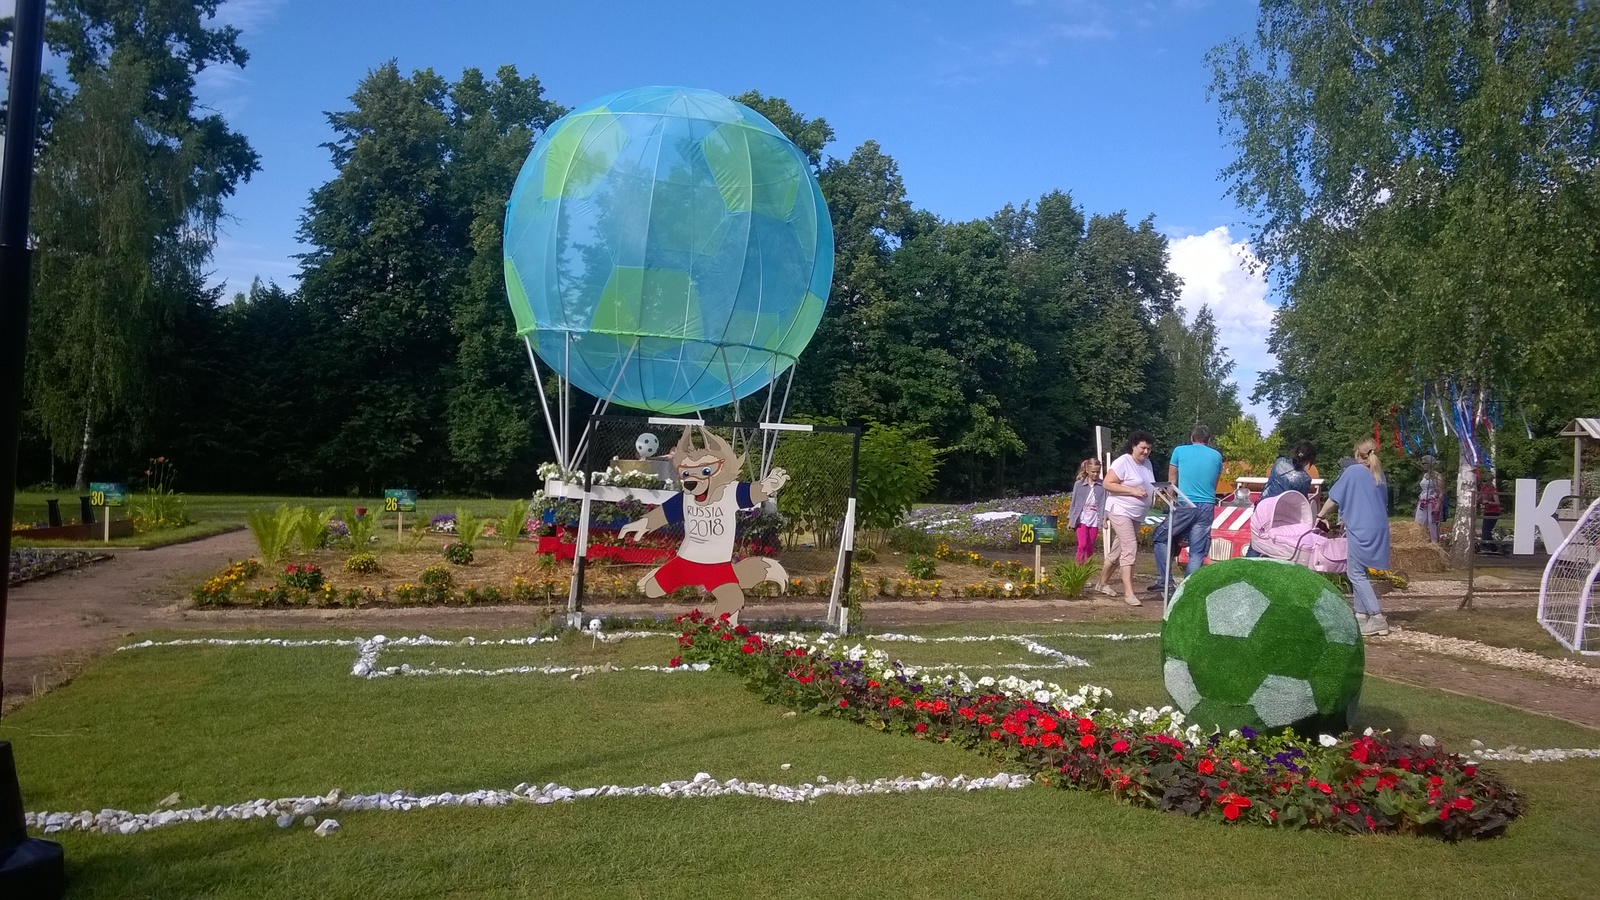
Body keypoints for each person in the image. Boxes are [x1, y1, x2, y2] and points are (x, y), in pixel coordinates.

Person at [1319, 437, 1392, 636]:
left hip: (1361, 528)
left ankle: (1377, 617)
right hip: (1378, 527)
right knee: (1360, 570)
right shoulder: (1378, 473)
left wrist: (1319, 516)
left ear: (1357, 454)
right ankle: (1360, 616)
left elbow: (1334, 498)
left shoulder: (1353, 471)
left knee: (1355, 574)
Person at [1151, 424, 1223, 594]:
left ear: (1192, 438)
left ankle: (1165, 581)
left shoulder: (1179, 451)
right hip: (1207, 506)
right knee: (1197, 552)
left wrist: (1171, 500)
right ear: (1208, 440)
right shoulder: (1217, 456)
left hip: (1186, 504)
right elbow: (1215, 483)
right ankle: (1187, 591)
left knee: (1160, 537)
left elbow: (1172, 481)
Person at [1094, 430, 1156, 607]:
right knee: (1130, 546)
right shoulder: (1123, 462)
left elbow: (1149, 485)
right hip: (1120, 510)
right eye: (1143, 448)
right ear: (1133, 446)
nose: (1146, 452)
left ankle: (1102, 583)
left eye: (1149, 449)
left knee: (1118, 550)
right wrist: (1132, 491)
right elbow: (1107, 483)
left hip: (1137, 513)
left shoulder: (1148, 464)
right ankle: (1129, 593)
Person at [1065, 457, 1106, 564]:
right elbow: (1074, 503)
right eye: (1093, 472)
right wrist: (1071, 519)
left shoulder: (1103, 485)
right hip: (1081, 518)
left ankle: (1086, 568)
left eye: (1098, 472)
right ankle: (1078, 567)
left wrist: (1104, 519)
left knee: (1090, 546)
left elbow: (1105, 503)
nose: (1095, 474)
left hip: (1094, 519)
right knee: (1082, 544)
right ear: (1087, 470)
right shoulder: (1079, 484)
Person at [1415, 455, 1445, 542]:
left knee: (1432, 522)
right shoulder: (1425, 475)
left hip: (1432, 502)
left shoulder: (1437, 476)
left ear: (1430, 464)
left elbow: (1441, 492)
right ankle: (1420, 541)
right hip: (1423, 502)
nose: (1422, 465)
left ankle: (1434, 542)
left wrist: (1438, 505)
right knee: (1419, 522)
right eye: (1422, 463)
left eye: (1425, 463)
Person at [1480, 470, 1501, 544]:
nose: (1484, 482)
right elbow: (1480, 497)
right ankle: (1489, 546)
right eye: (1484, 481)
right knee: (1484, 530)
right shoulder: (1483, 488)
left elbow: (1497, 502)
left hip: (1494, 512)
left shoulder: (1493, 490)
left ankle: (1492, 546)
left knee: (1487, 530)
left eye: (1486, 481)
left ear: (1490, 481)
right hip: (1487, 511)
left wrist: (1489, 502)